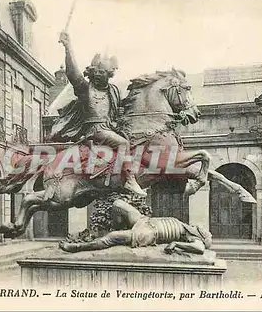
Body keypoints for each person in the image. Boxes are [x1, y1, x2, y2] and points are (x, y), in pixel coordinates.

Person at [54, 31, 147, 197]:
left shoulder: (114, 91)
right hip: (94, 130)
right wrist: (68, 48)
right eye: (96, 71)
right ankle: (129, 180)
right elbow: (73, 73)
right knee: (123, 144)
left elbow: (122, 109)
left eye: (102, 72)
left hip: (110, 128)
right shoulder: (85, 89)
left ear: (109, 74)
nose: (98, 74)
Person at [59, 199, 212, 255]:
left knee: (112, 238)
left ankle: (78, 247)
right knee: (118, 205)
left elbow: (200, 249)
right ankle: (118, 231)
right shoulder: (186, 226)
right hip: (145, 221)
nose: (203, 229)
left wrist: (176, 244)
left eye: (205, 232)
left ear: (201, 236)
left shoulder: (192, 238)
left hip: (149, 233)